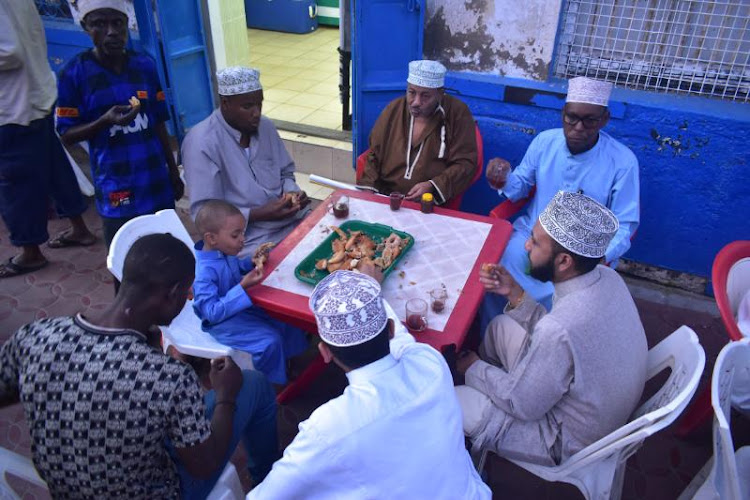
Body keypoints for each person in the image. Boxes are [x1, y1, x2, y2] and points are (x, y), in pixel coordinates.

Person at [0, 233, 278, 499]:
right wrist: (226, 396)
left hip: (68, 489)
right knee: (253, 384)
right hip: (154, 491)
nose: (189, 297)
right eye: (187, 291)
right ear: (172, 294)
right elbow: (204, 464)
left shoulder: (36, 334)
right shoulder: (168, 377)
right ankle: (271, 484)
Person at [248, 270, 491, 499]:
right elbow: (401, 341)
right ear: (391, 330)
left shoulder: (328, 427)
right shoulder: (429, 363)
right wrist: (372, 289)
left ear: (324, 352)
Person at [456, 191, 647, 466]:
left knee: (449, 399)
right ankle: (487, 400)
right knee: (499, 327)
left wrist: (473, 368)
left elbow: (523, 405)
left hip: (563, 438)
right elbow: (564, 336)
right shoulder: (608, 277)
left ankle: (469, 462)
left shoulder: (559, 328)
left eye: (534, 242)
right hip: (596, 403)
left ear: (564, 261)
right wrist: (515, 293)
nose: (525, 247)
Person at [483, 76, 639, 318]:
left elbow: (625, 224)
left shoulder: (622, 161)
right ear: (563, 113)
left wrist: (596, 258)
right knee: (497, 268)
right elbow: (520, 187)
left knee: (566, 296)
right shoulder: (545, 142)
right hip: (532, 237)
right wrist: (503, 179)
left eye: (590, 121)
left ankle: (544, 341)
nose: (578, 128)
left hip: (579, 254)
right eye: (572, 118)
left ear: (604, 120)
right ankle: (495, 333)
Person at [55, 0, 184, 248]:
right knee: (126, 261)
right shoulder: (74, 73)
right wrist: (104, 121)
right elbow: (67, 134)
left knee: (167, 255)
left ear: (127, 25)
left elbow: (158, 122)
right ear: (85, 26)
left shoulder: (145, 66)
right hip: (117, 187)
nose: (111, 32)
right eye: (99, 24)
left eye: (117, 23)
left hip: (155, 181)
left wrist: (172, 171)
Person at [0, 0, 95, 279]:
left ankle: (30, 253)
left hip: (13, 105)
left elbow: (9, 51)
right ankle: (79, 227)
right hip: (35, 91)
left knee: (16, 184)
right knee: (55, 167)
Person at [182, 66, 310, 258]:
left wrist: (292, 194)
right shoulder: (202, 143)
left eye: (259, 104)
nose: (256, 113)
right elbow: (203, 216)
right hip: (247, 239)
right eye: (248, 106)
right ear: (225, 103)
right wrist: (258, 214)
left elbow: (285, 173)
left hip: (292, 220)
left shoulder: (265, 126)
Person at [192, 199, 308, 385]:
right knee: (269, 341)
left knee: (285, 319)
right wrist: (242, 287)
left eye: (242, 233)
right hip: (222, 323)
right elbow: (211, 313)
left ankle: (289, 358)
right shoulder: (204, 273)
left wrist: (251, 263)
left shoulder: (222, 252)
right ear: (211, 238)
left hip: (240, 307)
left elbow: (236, 268)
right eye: (235, 235)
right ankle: (269, 382)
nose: (242, 240)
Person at [358, 59, 478, 205]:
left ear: (440, 94)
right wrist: (368, 191)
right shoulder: (394, 109)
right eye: (412, 92)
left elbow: (465, 164)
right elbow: (373, 155)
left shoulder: (457, 113)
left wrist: (433, 185)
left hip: (429, 203)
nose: (415, 102)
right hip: (387, 197)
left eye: (425, 96)